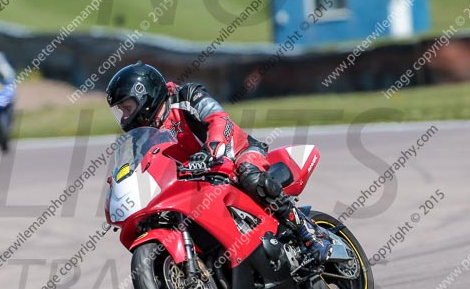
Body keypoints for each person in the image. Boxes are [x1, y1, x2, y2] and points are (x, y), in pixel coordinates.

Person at [105, 61, 333, 262]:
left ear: (144, 96)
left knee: (250, 175)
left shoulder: (186, 97)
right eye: (121, 111)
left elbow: (219, 119)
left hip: (237, 153)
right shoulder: (144, 135)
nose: (124, 117)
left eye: (127, 108)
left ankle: (309, 233)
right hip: (196, 177)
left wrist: (212, 149)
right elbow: (142, 169)